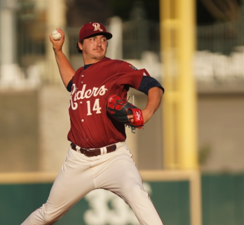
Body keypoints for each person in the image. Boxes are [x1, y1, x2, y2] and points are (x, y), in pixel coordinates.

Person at [21, 22, 164, 225]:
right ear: (80, 45)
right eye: (93, 39)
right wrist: (58, 51)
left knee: (137, 194)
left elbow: (154, 86)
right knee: (48, 214)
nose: (99, 43)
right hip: (78, 160)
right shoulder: (80, 76)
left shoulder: (118, 67)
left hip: (114, 158)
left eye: (103, 39)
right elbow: (70, 81)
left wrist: (147, 112)